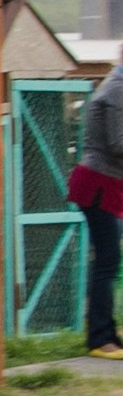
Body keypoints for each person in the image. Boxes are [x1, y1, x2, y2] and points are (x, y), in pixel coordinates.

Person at [72, 50, 123, 359]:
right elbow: (120, 143)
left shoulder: (115, 83)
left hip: (107, 183)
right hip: (98, 184)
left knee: (108, 260)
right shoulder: (118, 90)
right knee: (107, 260)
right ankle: (100, 338)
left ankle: (108, 333)